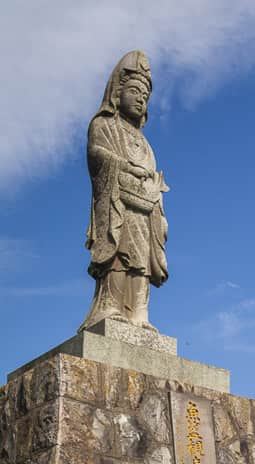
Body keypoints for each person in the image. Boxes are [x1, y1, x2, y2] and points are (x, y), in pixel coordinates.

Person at [79, 50, 169, 332]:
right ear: (117, 93)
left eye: (146, 95)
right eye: (134, 91)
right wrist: (125, 168)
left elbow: (152, 170)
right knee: (119, 252)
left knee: (142, 260)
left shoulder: (143, 140)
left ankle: (139, 314)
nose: (141, 99)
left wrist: (151, 182)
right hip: (117, 204)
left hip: (143, 209)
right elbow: (96, 156)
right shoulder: (104, 125)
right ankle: (112, 308)